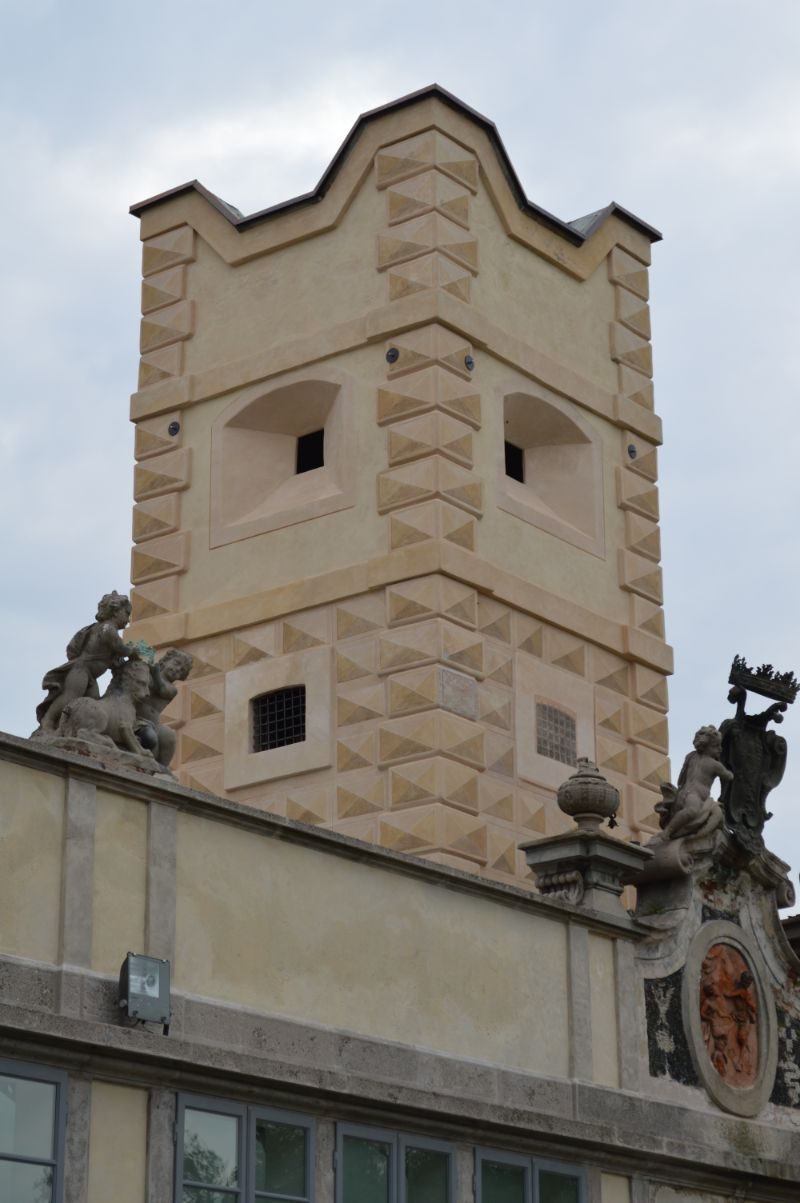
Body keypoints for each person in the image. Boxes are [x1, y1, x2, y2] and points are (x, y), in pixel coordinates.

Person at [36, 592, 135, 733]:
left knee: (92, 703)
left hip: (90, 677)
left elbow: (110, 657)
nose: (128, 619)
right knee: (70, 697)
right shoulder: (108, 629)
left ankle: (74, 727)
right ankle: (49, 720)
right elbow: (122, 649)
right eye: (127, 613)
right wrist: (133, 651)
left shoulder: (103, 629)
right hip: (81, 671)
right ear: (115, 612)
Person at [658, 725, 732, 841]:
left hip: (684, 792)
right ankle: (668, 832)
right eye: (716, 746)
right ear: (705, 746)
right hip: (695, 795)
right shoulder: (714, 765)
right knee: (692, 811)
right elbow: (729, 777)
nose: (720, 749)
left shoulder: (691, 756)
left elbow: (681, 778)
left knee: (689, 810)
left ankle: (670, 831)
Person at [134, 648, 193, 769]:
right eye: (176, 663)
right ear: (165, 661)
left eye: (182, 670)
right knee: (150, 737)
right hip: (136, 719)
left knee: (168, 736)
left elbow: (160, 688)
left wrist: (154, 671)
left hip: (154, 724)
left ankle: (163, 767)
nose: (177, 669)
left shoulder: (171, 689)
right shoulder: (146, 675)